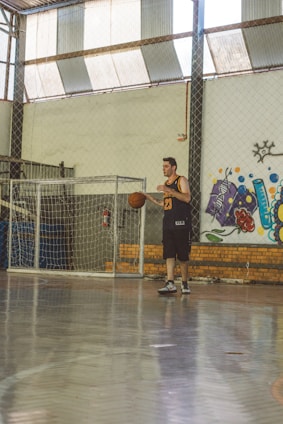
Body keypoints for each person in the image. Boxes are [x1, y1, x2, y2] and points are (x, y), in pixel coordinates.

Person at [144, 157, 192, 295]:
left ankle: (184, 283)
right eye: (163, 166)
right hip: (168, 223)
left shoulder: (181, 180)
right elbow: (164, 204)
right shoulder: (166, 183)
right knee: (169, 254)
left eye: (166, 166)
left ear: (174, 167)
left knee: (183, 256)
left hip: (181, 223)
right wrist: (149, 198)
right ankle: (170, 283)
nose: (163, 168)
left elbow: (187, 198)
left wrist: (169, 190)